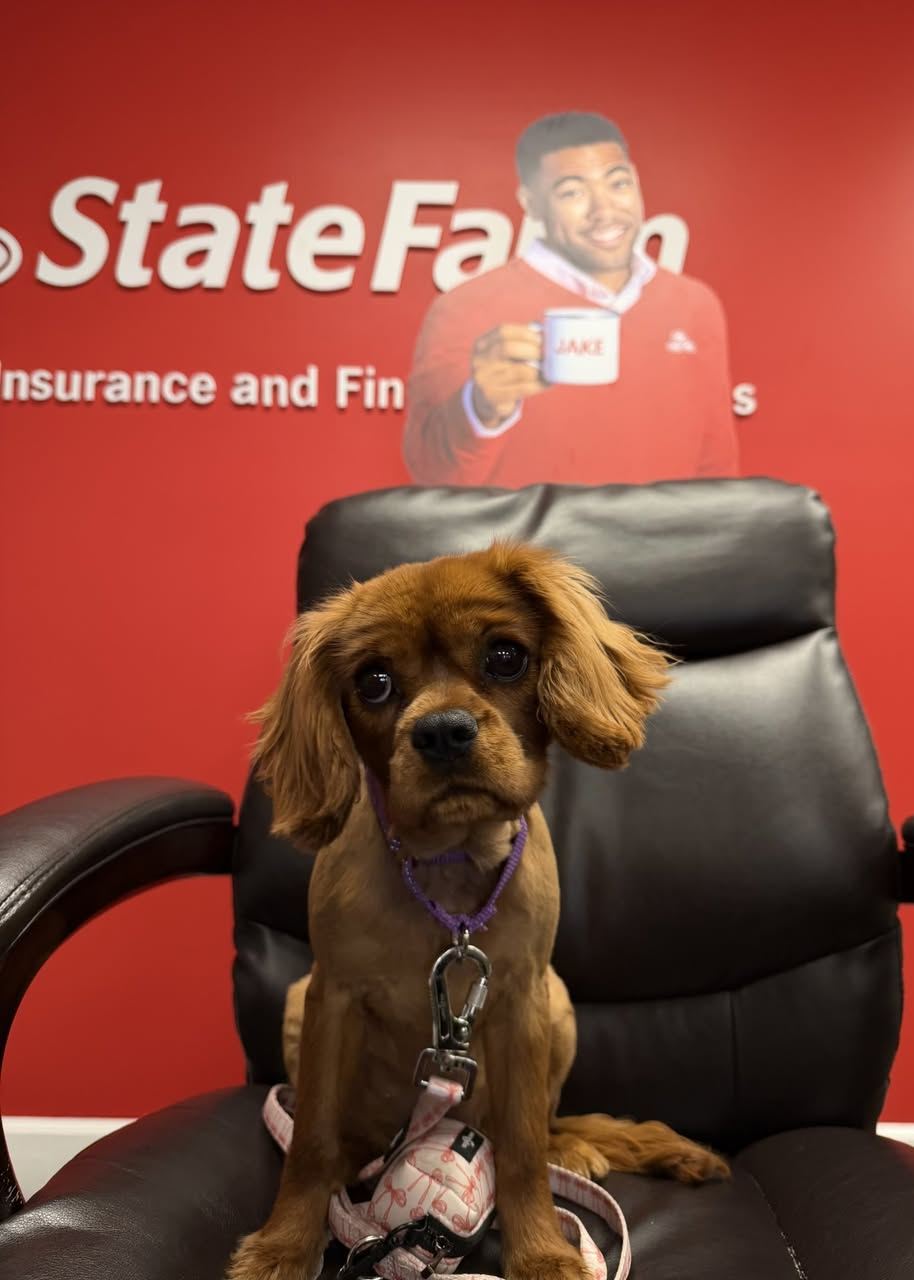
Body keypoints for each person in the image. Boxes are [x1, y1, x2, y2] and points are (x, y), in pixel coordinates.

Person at [402, 111, 739, 487]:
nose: (604, 210)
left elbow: (716, 473)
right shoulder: (465, 310)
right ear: (530, 204)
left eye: (618, 184)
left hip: (661, 547)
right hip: (530, 548)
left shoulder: (694, 305)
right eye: (572, 192)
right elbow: (431, 473)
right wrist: (481, 408)